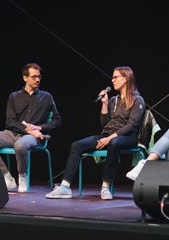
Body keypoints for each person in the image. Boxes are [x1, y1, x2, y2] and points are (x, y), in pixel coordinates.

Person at [46, 66, 145, 200]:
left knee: (114, 142)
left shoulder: (137, 100)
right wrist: (104, 104)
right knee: (76, 145)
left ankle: (105, 186)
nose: (113, 80)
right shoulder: (113, 100)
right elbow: (105, 124)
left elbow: (131, 126)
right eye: (113, 77)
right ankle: (65, 187)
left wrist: (109, 139)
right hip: (108, 135)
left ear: (126, 79)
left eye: (116, 77)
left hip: (127, 138)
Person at [0, 63, 62, 193]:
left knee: (20, 145)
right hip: (12, 133)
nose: (37, 80)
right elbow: (10, 121)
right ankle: (6, 176)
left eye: (39, 77)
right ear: (25, 78)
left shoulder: (46, 97)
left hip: (32, 137)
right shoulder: (14, 96)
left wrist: (39, 128)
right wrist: (28, 130)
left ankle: (22, 175)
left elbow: (57, 121)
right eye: (34, 77)